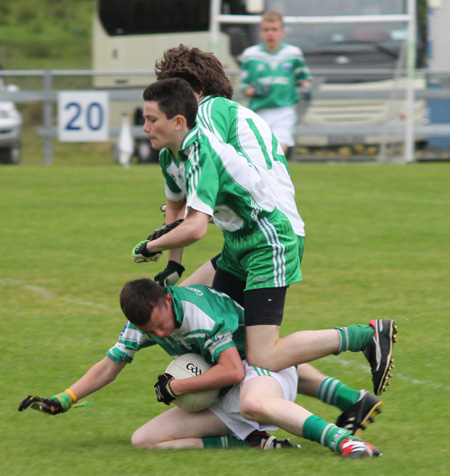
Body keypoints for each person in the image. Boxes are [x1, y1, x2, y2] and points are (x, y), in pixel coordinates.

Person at [132, 77, 397, 400]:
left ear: (178, 121)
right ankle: (343, 401)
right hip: (238, 244)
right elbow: (175, 207)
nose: (144, 127)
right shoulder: (169, 156)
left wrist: (149, 247)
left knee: (263, 355)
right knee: (225, 335)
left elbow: (196, 228)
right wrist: (173, 265)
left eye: (151, 119)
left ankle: (364, 336)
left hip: (267, 241)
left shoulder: (201, 150)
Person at [19, 279, 381, 457]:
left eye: (161, 324)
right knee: (144, 442)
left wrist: (176, 388)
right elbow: (110, 365)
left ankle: (344, 441)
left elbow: (233, 372)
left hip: (260, 370)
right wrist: (64, 399)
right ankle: (252, 442)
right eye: (151, 332)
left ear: (166, 297)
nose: (161, 334)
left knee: (253, 403)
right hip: (224, 392)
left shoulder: (196, 315)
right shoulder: (145, 322)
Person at [241, 11, 312, 156]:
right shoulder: (250, 55)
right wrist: (256, 91)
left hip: (284, 111)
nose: (270, 34)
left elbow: (304, 79)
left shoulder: (293, 54)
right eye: (266, 30)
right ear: (261, 32)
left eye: (274, 30)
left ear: (282, 32)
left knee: (278, 153)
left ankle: (277, 178)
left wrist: (306, 89)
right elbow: (244, 88)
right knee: (259, 155)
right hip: (259, 112)